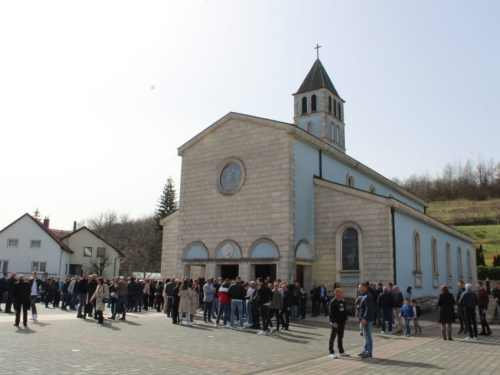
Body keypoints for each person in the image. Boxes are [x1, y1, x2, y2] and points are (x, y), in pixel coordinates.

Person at [328, 288, 350, 358]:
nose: (342, 293)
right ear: (337, 293)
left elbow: (345, 311)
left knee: (340, 337)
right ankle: (331, 351)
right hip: (335, 323)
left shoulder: (343, 301)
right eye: (341, 292)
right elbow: (331, 313)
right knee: (333, 337)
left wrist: (346, 320)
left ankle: (341, 351)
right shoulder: (333, 302)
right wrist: (333, 322)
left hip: (342, 322)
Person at [358, 283, 374, 359]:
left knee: (368, 336)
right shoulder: (364, 296)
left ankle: (369, 353)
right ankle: (365, 350)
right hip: (363, 318)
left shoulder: (368, 296)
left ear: (365, 287)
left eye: (360, 287)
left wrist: (365, 318)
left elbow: (368, 308)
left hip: (366, 319)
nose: (359, 289)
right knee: (365, 335)